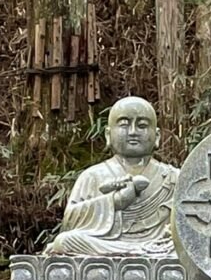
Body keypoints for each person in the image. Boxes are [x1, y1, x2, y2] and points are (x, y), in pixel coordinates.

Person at [45, 96, 178, 257]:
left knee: (184, 247)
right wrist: (116, 201)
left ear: (156, 136)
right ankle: (138, 253)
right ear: (108, 134)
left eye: (142, 125)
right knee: (65, 241)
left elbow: (189, 224)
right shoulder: (93, 176)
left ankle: (144, 252)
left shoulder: (174, 178)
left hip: (160, 244)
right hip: (106, 245)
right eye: (124, 124)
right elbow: (71, 221)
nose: (133, 132)